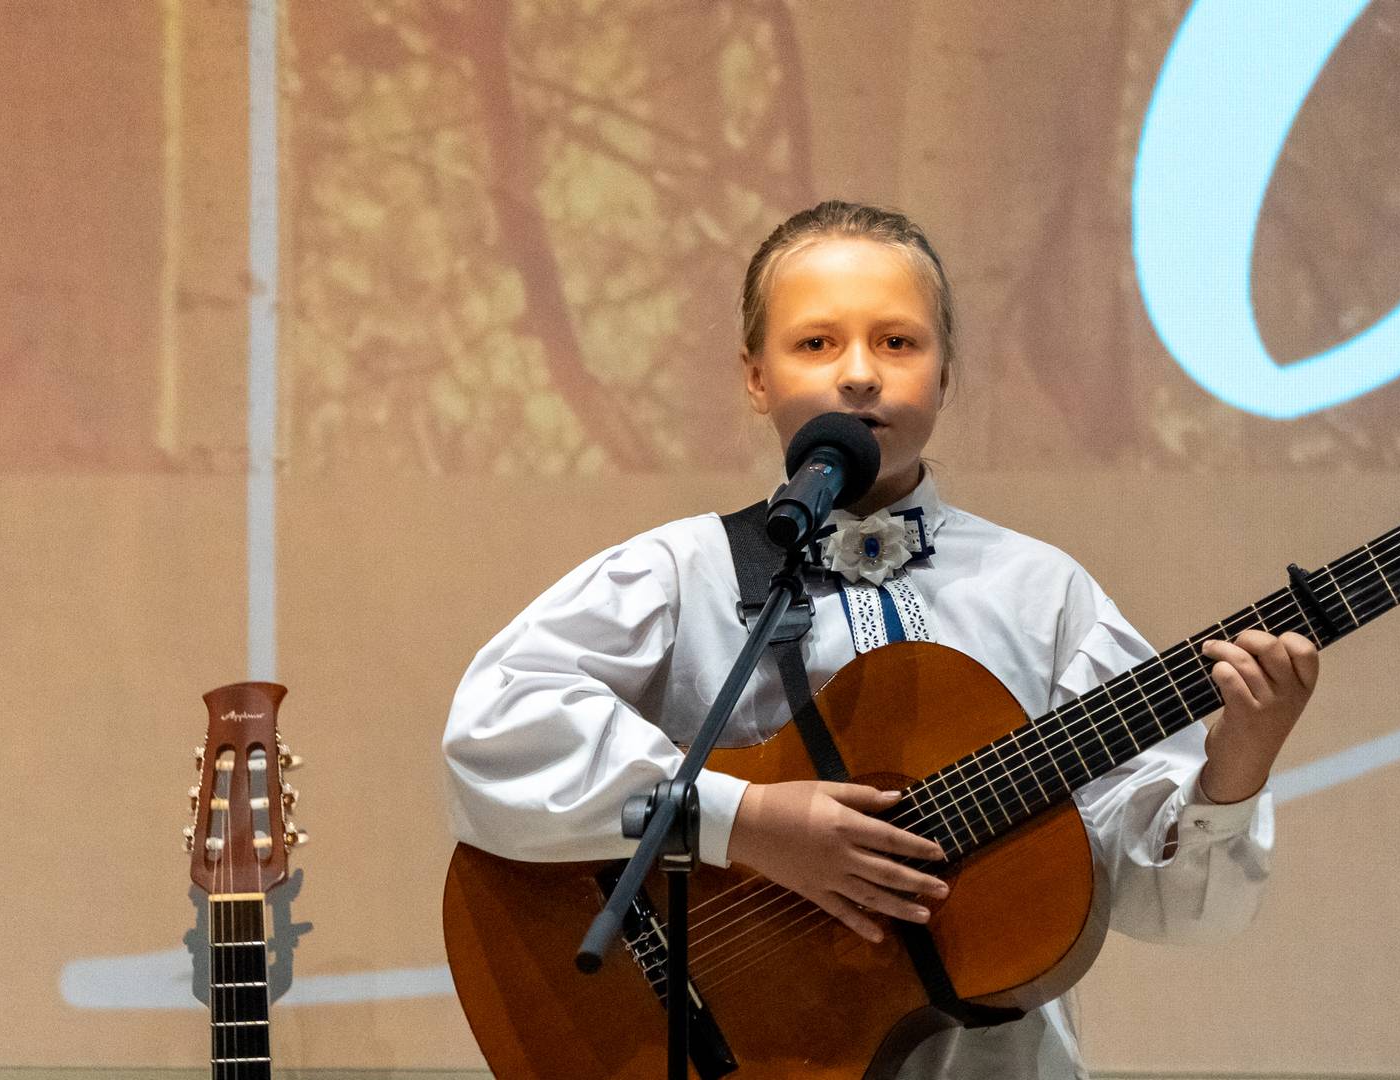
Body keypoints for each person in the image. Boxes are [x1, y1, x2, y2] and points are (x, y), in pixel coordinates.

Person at [442, 200, 1319, 1078]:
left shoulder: (1043, 593)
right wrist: (747, 821)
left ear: (947, 376)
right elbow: (495, 730)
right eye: (816, 343)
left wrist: (1234, 764)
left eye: (898, 343)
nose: (859, 375)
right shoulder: (682, 571)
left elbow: (1180, 906)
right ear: (754, 376)